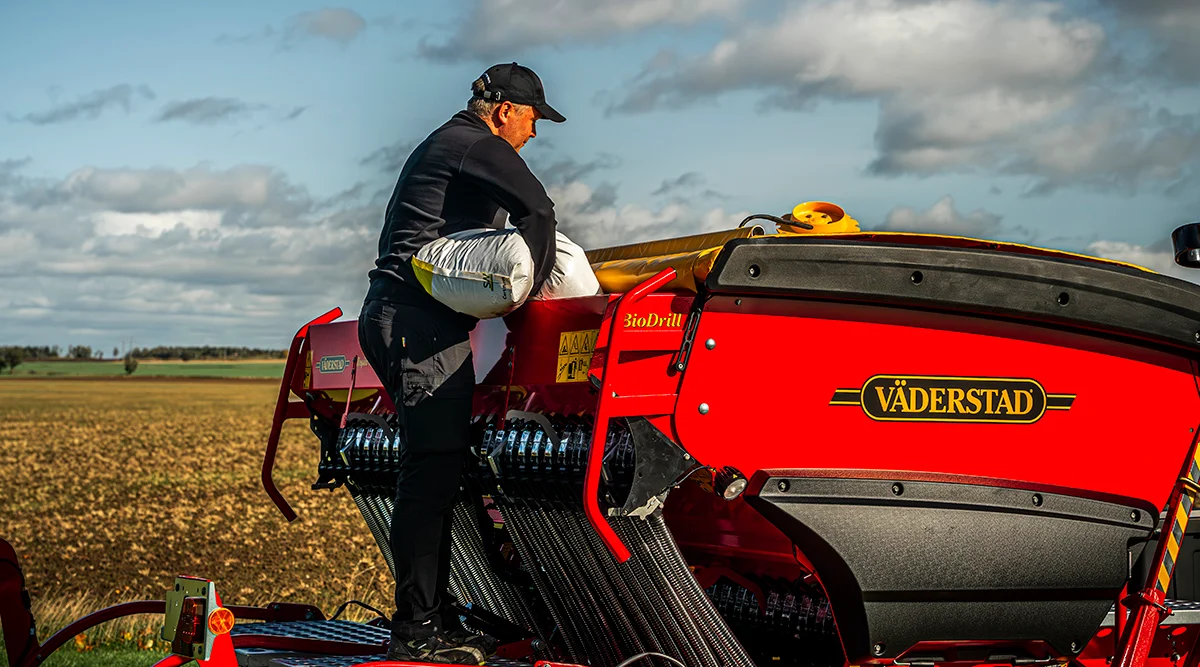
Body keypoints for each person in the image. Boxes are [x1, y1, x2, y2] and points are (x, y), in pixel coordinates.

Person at [357, 62, 565, 664]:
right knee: (431, 474)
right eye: (532, 119)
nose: (534, 133)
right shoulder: (477, 143)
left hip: (399, 319)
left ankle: (436, 616)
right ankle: (418, 631)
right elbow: (539, 212)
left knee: (438, 471)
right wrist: (530, 295)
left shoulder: (447, 142)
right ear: (504, 110)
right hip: (419, 328)